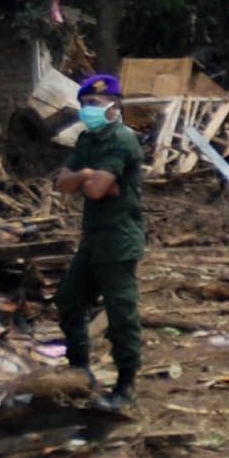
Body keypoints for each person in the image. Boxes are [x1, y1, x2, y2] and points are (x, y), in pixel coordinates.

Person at [52, 70, 147, 411]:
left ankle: (126, 385)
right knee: (69, 301)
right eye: (83, 104)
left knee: (120, 313)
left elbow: (92, 190)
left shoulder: (122, 140)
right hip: (92, 239)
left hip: (119, 239)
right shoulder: (87, 142)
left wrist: (87, 180)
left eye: (93, 103)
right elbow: (63, 183)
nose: (86, 110)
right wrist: (88, 176)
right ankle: (80, 372)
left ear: (113, 105)